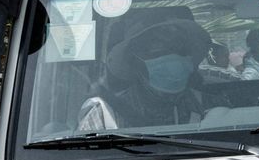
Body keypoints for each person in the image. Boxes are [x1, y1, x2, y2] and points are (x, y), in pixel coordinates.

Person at [79, 19, 213, 130]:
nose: (171, 58)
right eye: (156, 50)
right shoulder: (104, 115)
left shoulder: (209, 104)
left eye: (179, 49)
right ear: (134, 61)